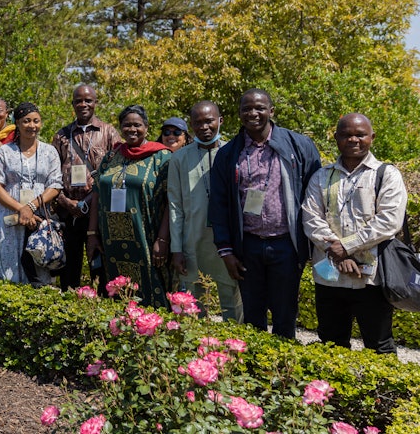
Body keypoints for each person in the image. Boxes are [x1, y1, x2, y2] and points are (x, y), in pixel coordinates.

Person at [209, 88, 321, 339]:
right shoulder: (228, 154)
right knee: (252, 316)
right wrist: (226, 251)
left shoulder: (298, 145)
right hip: (247, 246)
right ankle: (255, 371)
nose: (253, 113)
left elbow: (316, 195)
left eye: (259, 107)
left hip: (286, 246)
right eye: (246, 108)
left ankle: (283, 370)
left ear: (271, 111)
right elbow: (218, 204)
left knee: (285, 314)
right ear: (239, 114)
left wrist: (314, 244)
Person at [302, 113, 406, 354]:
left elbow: (389, 220)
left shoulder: (386, 174)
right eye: (346, 134)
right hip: (329, 274)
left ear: (372, 137)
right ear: (336, 137)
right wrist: (337, 253)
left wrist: (346, 247)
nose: (353, 140)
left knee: (379, 345)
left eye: (360, 134)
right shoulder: (321, 176)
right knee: (331, 342)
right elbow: (310, 217)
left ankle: (381, 393)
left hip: (372, 277)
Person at [87, 105, 173, 307]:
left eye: (137, 125)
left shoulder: (163, 158)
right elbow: (97, 194)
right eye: (127, 125)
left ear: (147, 128)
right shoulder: (110, 157)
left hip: (146, 240)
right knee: (117, 290)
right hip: (111, 242)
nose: (132, 129)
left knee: (152, 289)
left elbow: (172, 202)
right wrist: (92, 234)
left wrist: (163, 238)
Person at [168, 101, 243, 321]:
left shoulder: (234, 152)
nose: (204, 127)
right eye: (197, 123)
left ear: (220, 121)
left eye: (209, 121)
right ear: (191, 126)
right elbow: (175, 206)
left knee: (232, 304)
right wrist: (176, 248)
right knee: (193, 307)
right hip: (193, 240)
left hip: (227, 243)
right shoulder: (179, 158)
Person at [51, 85, 120, 291]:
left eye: (88, 100)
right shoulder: (61, 135)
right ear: (72, 104)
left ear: (95, 103)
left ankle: (99, 310)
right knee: (69, 269)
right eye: (78, 101)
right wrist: (66, 202)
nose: (83, 104)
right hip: (68, 212)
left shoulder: (108, 132)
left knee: (98, 266)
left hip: (96, 213)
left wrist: (88, 202)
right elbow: (51, 174)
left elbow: (115, 171)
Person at [0, 102, 62, 286]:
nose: (32, 125)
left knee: (39, 264)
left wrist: (31, 207)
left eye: (36, 121)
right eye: (26, 121)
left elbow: (55, 185)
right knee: (8, 267)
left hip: (39, 216)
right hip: (8, 215)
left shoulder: (49, 151)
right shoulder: (5, 151)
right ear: (18, 124)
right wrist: (21, 209)